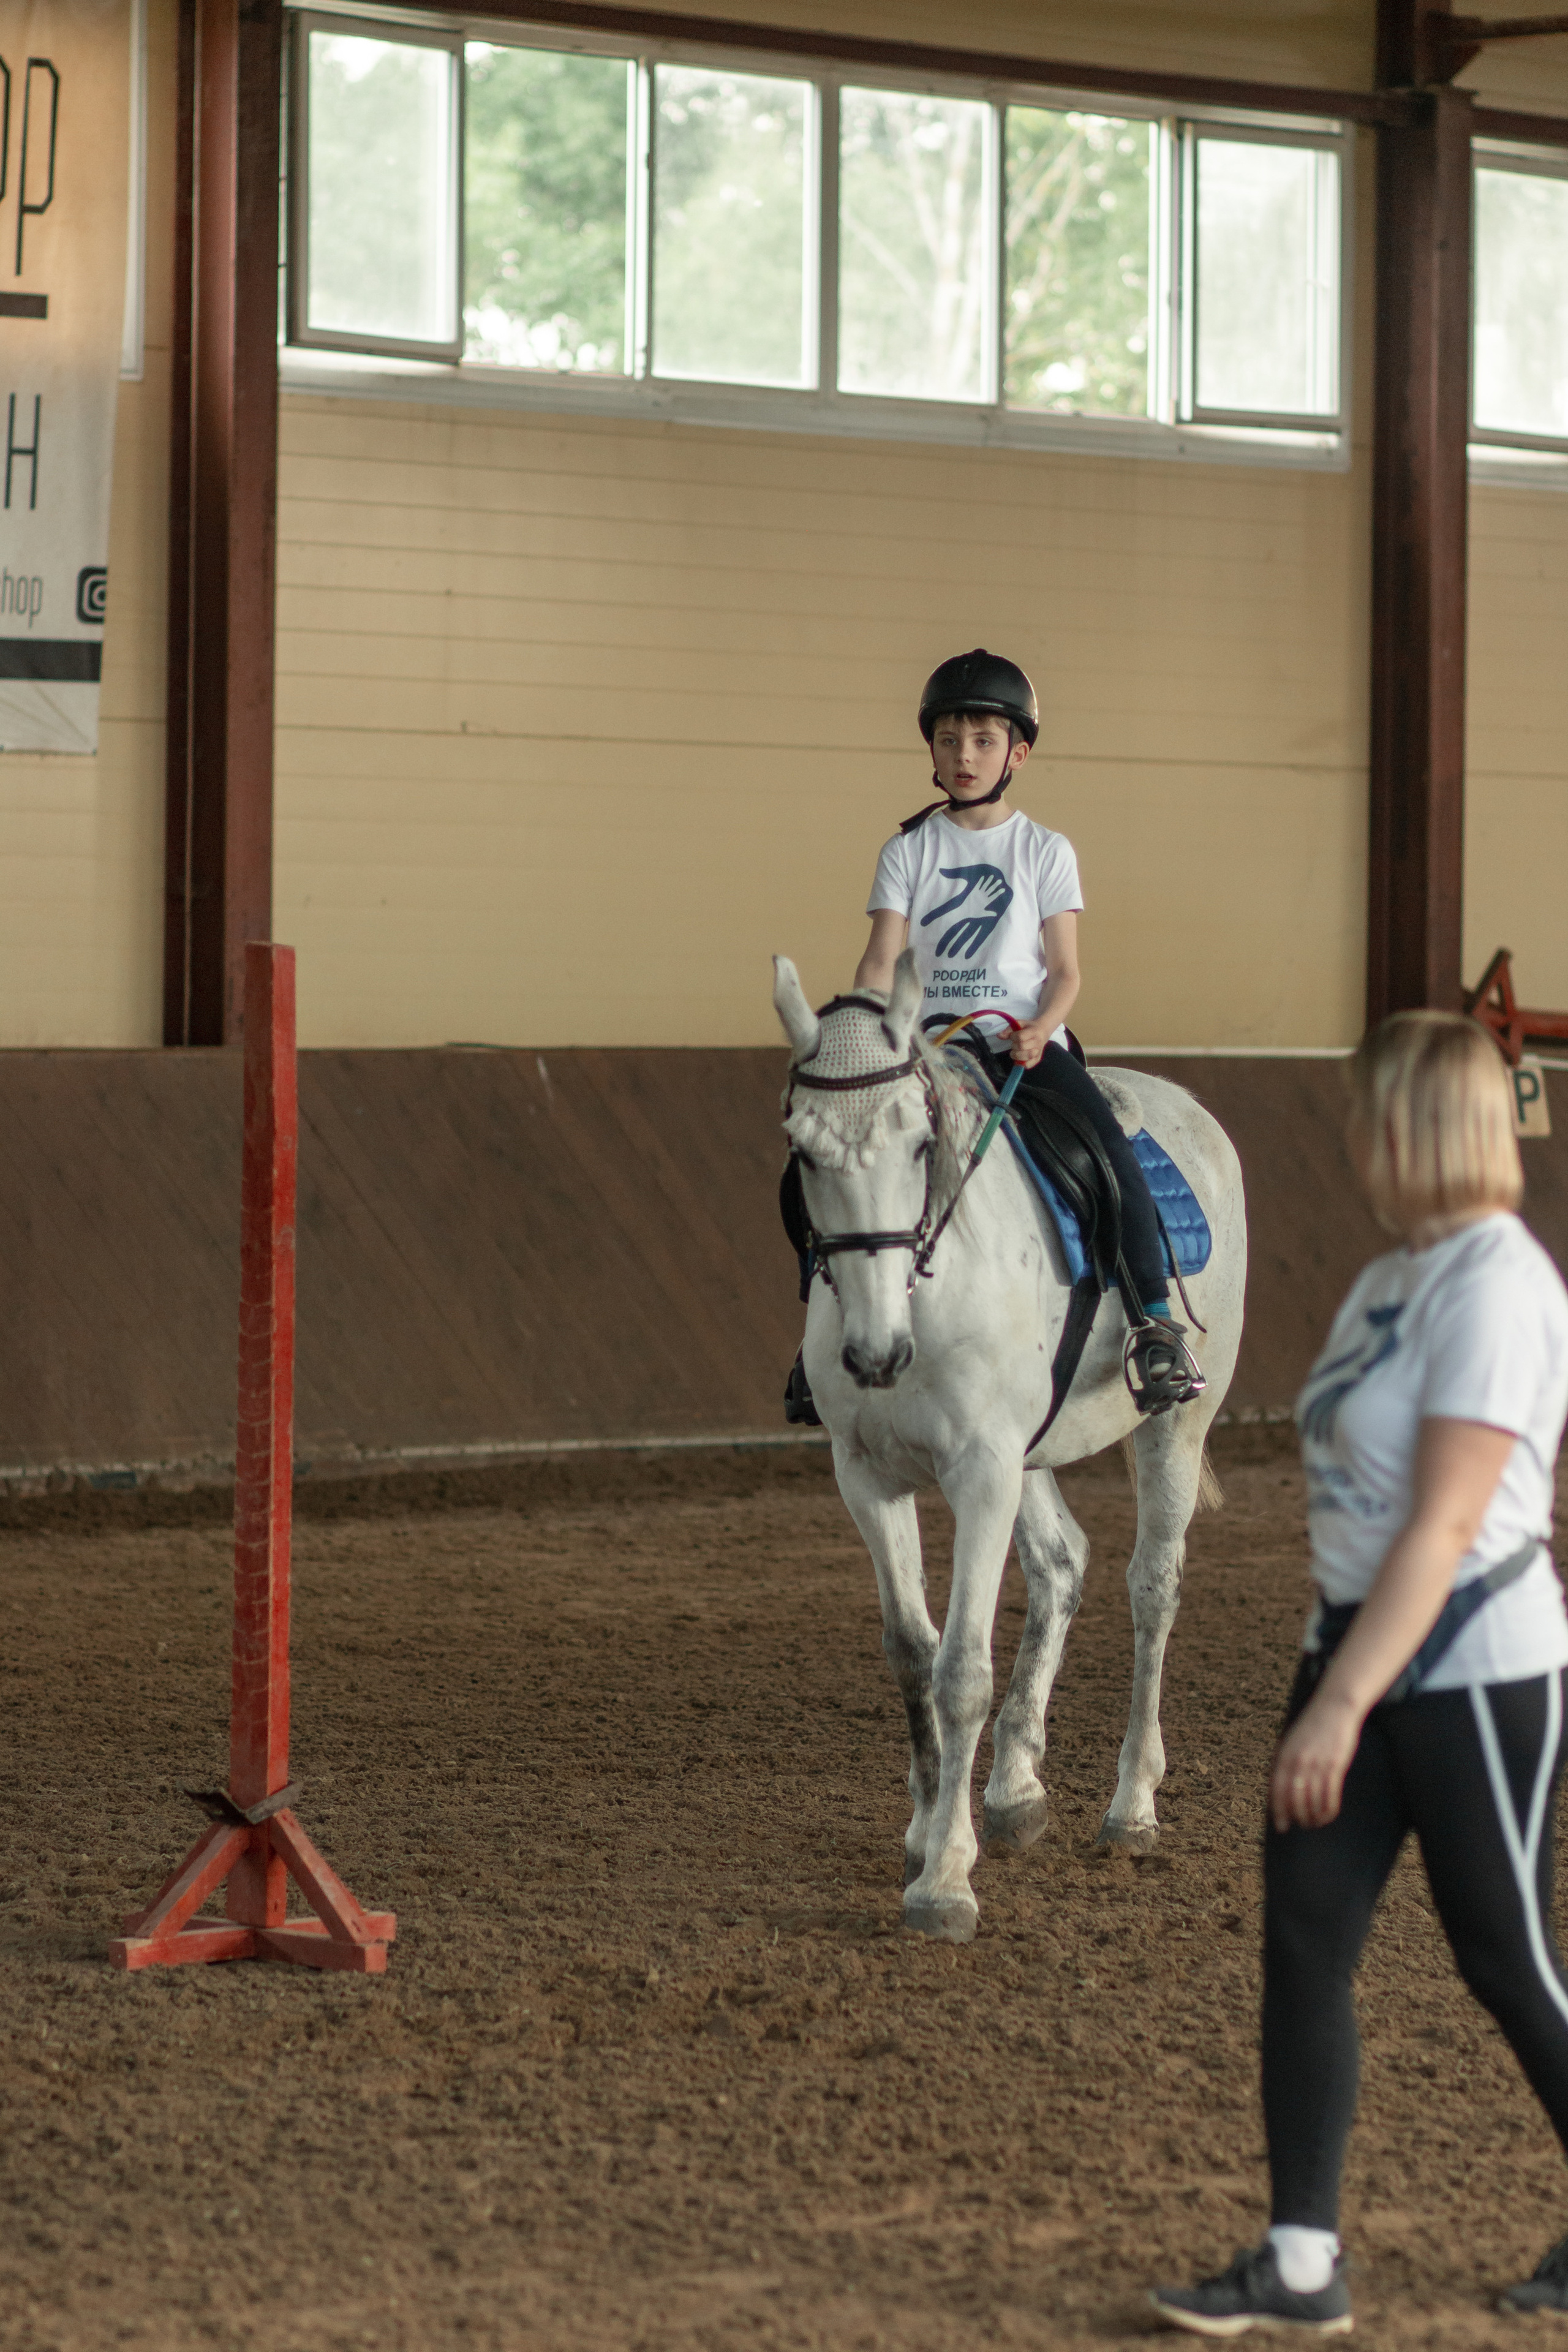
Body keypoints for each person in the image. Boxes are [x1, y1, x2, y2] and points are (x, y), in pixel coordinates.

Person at [1151, 1011, 1568, 2338]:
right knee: (1302, 1938)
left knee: (1504, 1959)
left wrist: (1337, 1700)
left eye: (1368, 1116)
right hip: (1355, 1652)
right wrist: (1331, 1670)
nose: (1352, 1142)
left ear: (1421, 1127)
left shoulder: (1500, 1286)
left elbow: (1445, 1523)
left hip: (1468, 1672)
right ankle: (1298, 2261)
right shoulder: (1394, 1278)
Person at [783, 647, 1204, 1425]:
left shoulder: (1044, 850)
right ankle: (821, 1339)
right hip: (927, 1053)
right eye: (949, 741)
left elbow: (1065, 972)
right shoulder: (908, 850)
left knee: (1107, 1152)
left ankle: (1154, 1322)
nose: (964, 756)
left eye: (982, 741)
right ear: (931, 753)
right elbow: (881, 961)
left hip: (1018, 1045)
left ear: (1018, 753)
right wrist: (863, 1038)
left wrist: (1043, 1029)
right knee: (815, 1163)